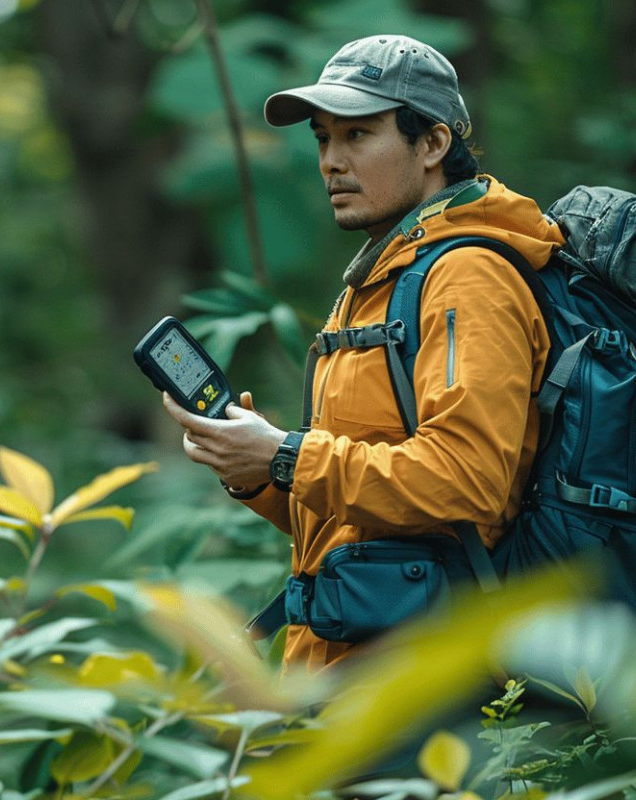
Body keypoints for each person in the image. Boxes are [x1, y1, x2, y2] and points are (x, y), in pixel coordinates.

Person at [162, 34, 565, 672]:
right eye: (323, 138)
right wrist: (258, 470)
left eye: (358, 135)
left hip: (423, 673)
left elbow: (466, 485)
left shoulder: (468, 278)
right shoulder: (381, 280)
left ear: (432, 144)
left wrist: (286, 453)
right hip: (347, 657)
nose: (330, 161)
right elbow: (362, 517)